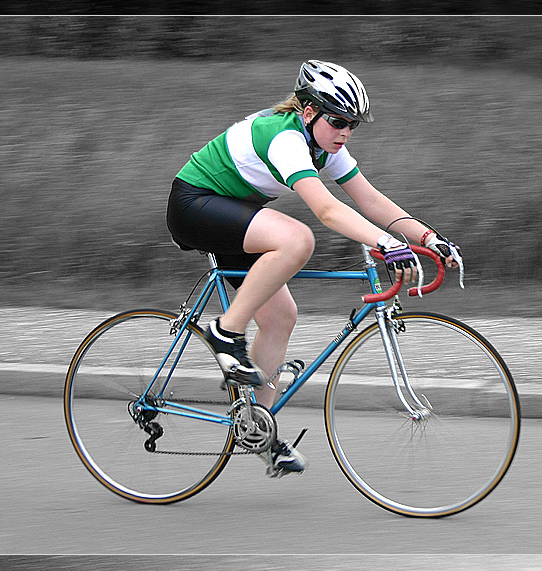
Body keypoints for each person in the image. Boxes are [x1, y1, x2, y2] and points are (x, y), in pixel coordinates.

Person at [167, 60, 461, 474]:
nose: (345, 132)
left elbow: (370, 201)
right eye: (338, 121)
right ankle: (225, 331)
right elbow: (325, 209)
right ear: (308, 113)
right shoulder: (285, 136)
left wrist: (429, 237)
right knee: (298, 238)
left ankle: (256, 431)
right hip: (194, 206)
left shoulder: (326, 145)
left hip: (234, 214)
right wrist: (385, 243)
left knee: (282, 317)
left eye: (353, 125)